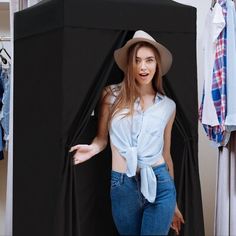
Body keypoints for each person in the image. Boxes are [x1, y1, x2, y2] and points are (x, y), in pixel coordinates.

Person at [69, 30, 184, 235]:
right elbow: (102, 139)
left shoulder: (168, 106)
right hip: (123, 185)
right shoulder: (111, 95)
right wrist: (93, 149)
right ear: (129, 65)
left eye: (149, 60)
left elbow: (167, 155)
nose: (142, 67)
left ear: (157, 64)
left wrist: (174, 204)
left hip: (161, 183)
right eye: (137, 60)